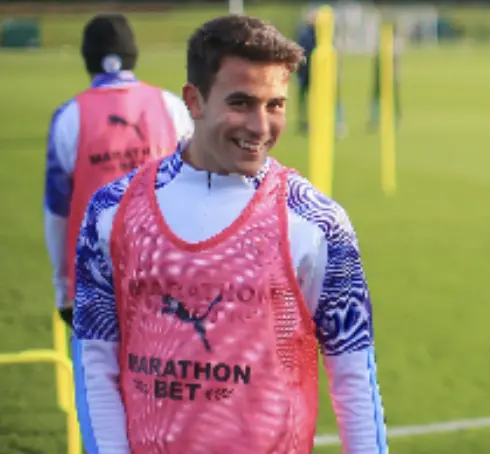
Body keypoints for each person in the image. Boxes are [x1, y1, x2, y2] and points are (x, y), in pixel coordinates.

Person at [72, 15, 387, 453]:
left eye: (275, 105)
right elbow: (95, 359)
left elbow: (353, 373)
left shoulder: (316, 222)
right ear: (194, 100)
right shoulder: (112, 211)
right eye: (241, 102)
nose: (260, 127)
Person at [44, 13, 193, 327]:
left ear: (88, 58)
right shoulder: (172, 107)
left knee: (97, 361)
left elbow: (57, 212)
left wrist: (62, 286)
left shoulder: (69, 116)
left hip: (94, 282)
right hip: (166, 274)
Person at [294, 10, 347, 138]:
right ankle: (308, 123)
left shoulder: (325, 34)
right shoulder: (306, 34)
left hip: (322, 73)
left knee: (331, 99)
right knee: (311, 100)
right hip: (309, 73)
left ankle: (336, 124)